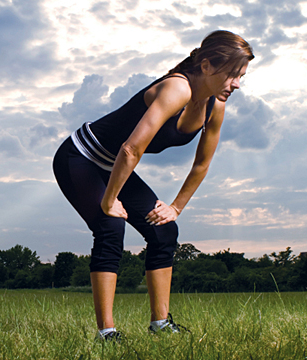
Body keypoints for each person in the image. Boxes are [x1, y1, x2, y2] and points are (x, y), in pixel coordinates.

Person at [53, 30, 254, 341]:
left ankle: (160, 323)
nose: (237, 84)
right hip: (81, 156)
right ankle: (106, 332)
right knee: (110, 227)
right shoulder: (176, 89)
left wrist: (175, 207)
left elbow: (201, 163)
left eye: (241, 76)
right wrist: (109, 201)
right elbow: (131, 149)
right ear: (206, 66)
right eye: (232, 75)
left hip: (113, 166)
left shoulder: (215, 105)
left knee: (164, 230)